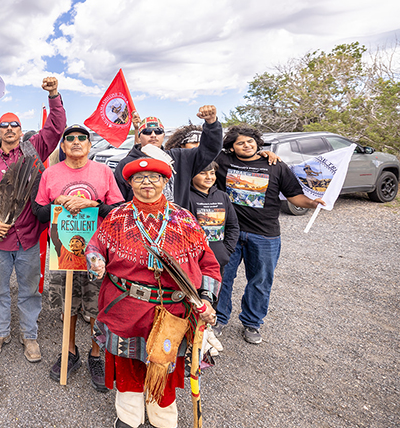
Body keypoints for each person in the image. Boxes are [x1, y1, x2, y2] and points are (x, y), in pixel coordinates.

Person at [86, 157, 221, 428]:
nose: (147, 182)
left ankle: (162, 414)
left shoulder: (185, 219)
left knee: (164, 363)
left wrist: (206, 298)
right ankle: (129, 414)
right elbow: (95, 246)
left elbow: (208, 262)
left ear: (164, 182)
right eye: (139, 178)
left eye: (154, 178)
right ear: (130, 183)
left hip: (173, 310)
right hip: (126, 306)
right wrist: (95, 260)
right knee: (127, 362)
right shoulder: (116, 217)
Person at [0, 77, 67, 362]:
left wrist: (53, 95)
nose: (9, 130)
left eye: (14, 126)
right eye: (4, 126)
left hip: (29, 237)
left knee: (29, 290)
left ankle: (29, 335)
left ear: (21, 131)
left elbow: (56, 127)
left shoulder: (35, 151)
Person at [213, 125, 325, 345]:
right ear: (232, 146)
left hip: (265, 235)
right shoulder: (223, 162)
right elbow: (205, 151)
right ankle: (218, 319)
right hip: (229, 234)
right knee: (223, 279)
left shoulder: (276, 165)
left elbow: (294, 196)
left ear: (257, 142)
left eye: (250, 141)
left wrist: (313, 203)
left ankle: (252, 323)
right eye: (240, 142)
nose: (246, 145)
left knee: (260, 281)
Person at [34, 124, 123, 391]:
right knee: (68, 306)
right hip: (63, 253)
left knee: (97, 306)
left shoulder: (103, 172)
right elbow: (38, 211)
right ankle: (69, 351)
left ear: (89, 145)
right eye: (69, 138)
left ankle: (96, 354)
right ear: (62, 146)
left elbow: (117, 210)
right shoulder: (50, 174)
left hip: (98, 252)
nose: (75, 142)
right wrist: (57, 205)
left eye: (81, 139)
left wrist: (93, 204)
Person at [113, 106, 223, 209]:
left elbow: (209, 150)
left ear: (163, 136)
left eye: (158, 131)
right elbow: (119, 200)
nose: (153, 135)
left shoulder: (180, 158)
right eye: (147, 132)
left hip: (175, 222)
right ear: (139, 136)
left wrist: (212, 124)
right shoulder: (126, 164)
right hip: (139, 223)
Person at [187, 161, 240, 273]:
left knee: (215, 290)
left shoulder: (223, 196)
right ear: (192, 175)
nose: (209, 177)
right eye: (203, 173)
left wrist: (226, 250)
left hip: (217, 259)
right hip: (193, 261)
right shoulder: (186, 197)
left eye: (212, 173)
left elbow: (233, 226)